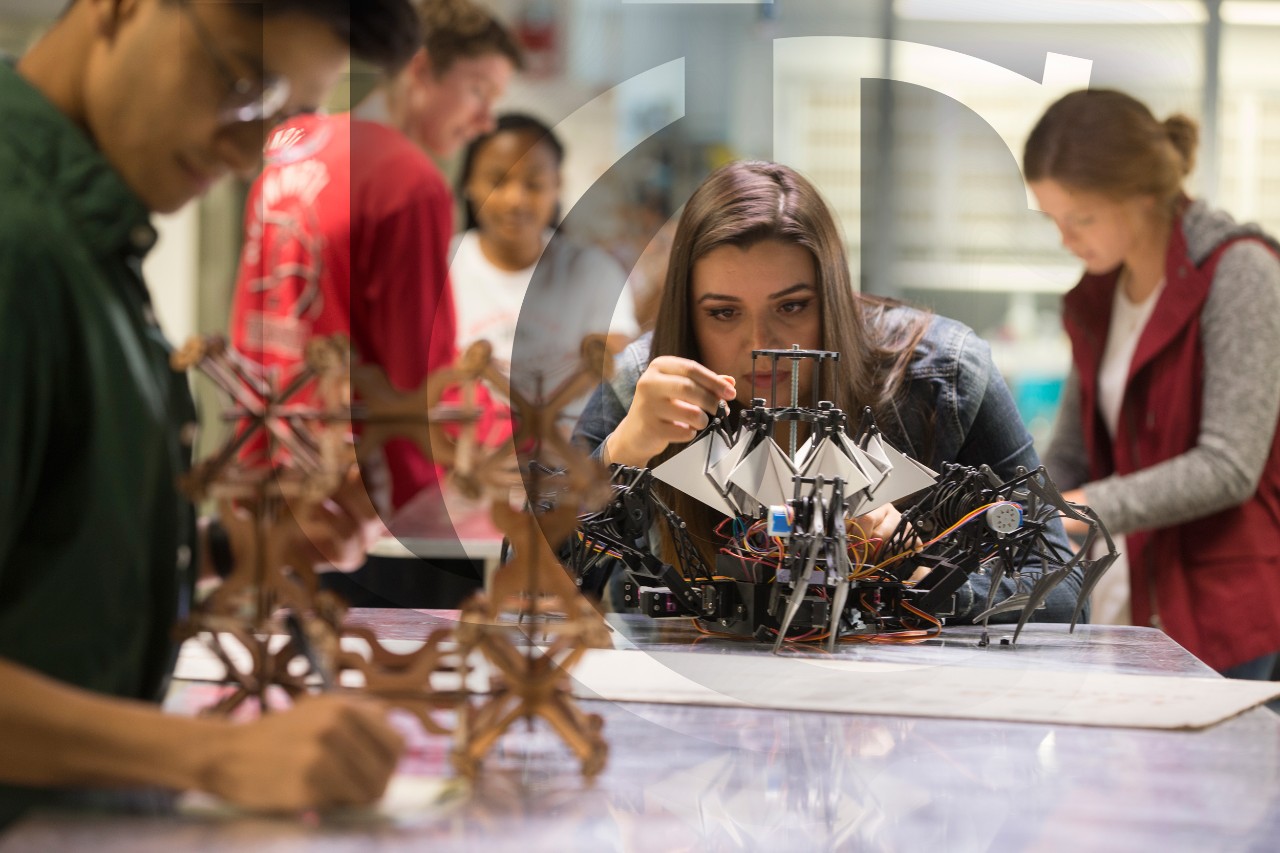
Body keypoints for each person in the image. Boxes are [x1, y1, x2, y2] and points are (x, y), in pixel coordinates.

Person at [0, 0, 423, 825]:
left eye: (282, 116)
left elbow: (45, 563)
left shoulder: (87, 246)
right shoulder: (18, 244)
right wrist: (214, 752)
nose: (244, 150)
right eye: (238, 83)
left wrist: (232, 547)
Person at [573, 159, 1087, 622]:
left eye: (792, 306)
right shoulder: (648, 381)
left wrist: (909, 571)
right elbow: (528, 577)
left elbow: (1064, 587)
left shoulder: (945, 374)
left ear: (834, 298)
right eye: (723, 314)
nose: (761, 343)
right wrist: (621, 452)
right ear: (687, 315)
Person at [1025, 89, 1280, 678]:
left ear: (1140, 196)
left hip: (1222, 613)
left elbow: (1229, 464)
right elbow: (1072, 454)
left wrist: (1087, 506)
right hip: (1126, 602)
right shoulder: (1097, 297)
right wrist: (1015, 505)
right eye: (1055, 219)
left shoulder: (1239, 272)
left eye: (1081, 218)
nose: (1066, 239)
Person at [230, 0, 522, 512]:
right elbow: (418, 380)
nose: (485, 121)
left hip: (264, 466)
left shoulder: (291, 150)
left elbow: (250, 332)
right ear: (422, 68)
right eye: (478, 91)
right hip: (361, 499)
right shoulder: (408, 183)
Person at [450, 112, 637, 417]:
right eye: (498, 181)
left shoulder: (594, 272)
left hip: (568, 457)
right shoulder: (439, 268)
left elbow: (620, 365)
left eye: (534, 184)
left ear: (557, 185)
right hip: (461, 453)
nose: (515, 200)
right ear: (469, 182)